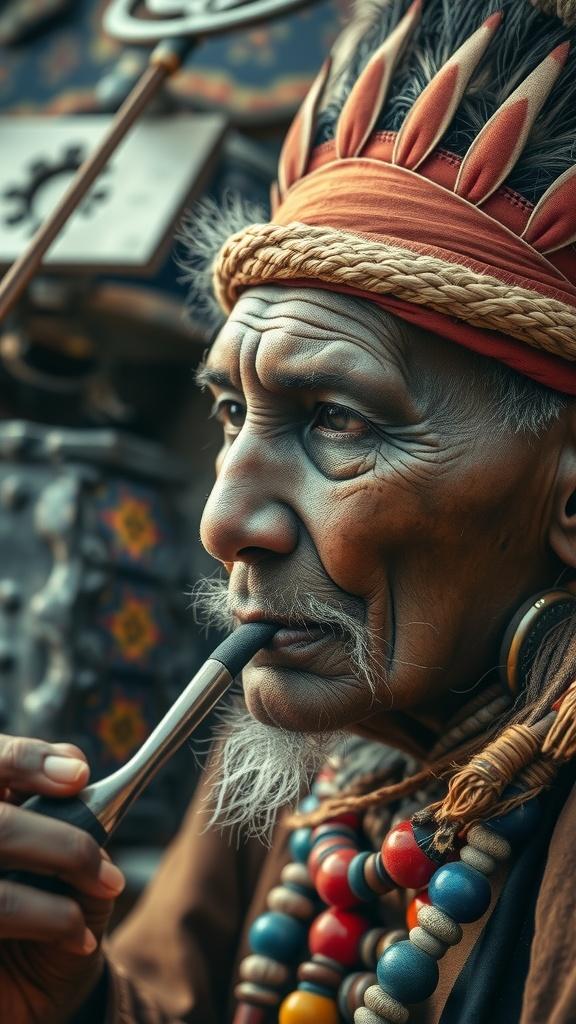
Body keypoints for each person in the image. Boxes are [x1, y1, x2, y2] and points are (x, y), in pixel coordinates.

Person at [3, 0, 576, 1021]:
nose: (226, 519)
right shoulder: (327, 728)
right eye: (233, 409)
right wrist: (63, 991)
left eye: (339, 421)